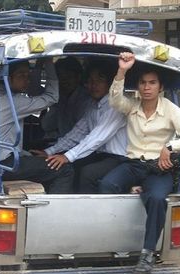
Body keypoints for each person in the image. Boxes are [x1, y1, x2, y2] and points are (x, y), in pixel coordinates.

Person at [98, 52, 180, 274]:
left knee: (157, 199)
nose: (147, 87)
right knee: (106, 185)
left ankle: (147, 254)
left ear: (160, 86)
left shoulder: (169, 109)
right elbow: (114, 99)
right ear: (138, 86)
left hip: (159, 168)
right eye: (143, 83)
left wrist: (171, 147)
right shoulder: (132, 106)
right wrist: (122, 70)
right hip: (134, 166)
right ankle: (113, 244)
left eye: (152, 83)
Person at [0, 59, 74, 194]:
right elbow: (52, 97)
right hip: (0, 165)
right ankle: (55, 213)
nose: (27, 79)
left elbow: (33, 92)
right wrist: (48, 62)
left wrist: (37, 68)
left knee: (34, 153)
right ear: (8, 77)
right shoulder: (12, 101)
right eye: (22, 75)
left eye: (28, 75)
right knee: (65, 169)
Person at [33, 59, 127, 193]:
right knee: (63, 167)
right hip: (99, 155)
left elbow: (97, 138)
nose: (94, 85)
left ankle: (89, 211)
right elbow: (77, 133)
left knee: (87, 173)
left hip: (118, 158)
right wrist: (49, 152)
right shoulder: (93, 105)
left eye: (99, 80)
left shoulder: (115, 108)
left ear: (111, 83)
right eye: (90, 81)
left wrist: (67, 156)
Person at [40, 57, 91, 139]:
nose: (64, 81)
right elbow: (47, 125)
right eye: (60, 78)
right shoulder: (59, 98)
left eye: (68, 77)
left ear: (78, 77)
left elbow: (79, 134)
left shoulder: (85, 100)